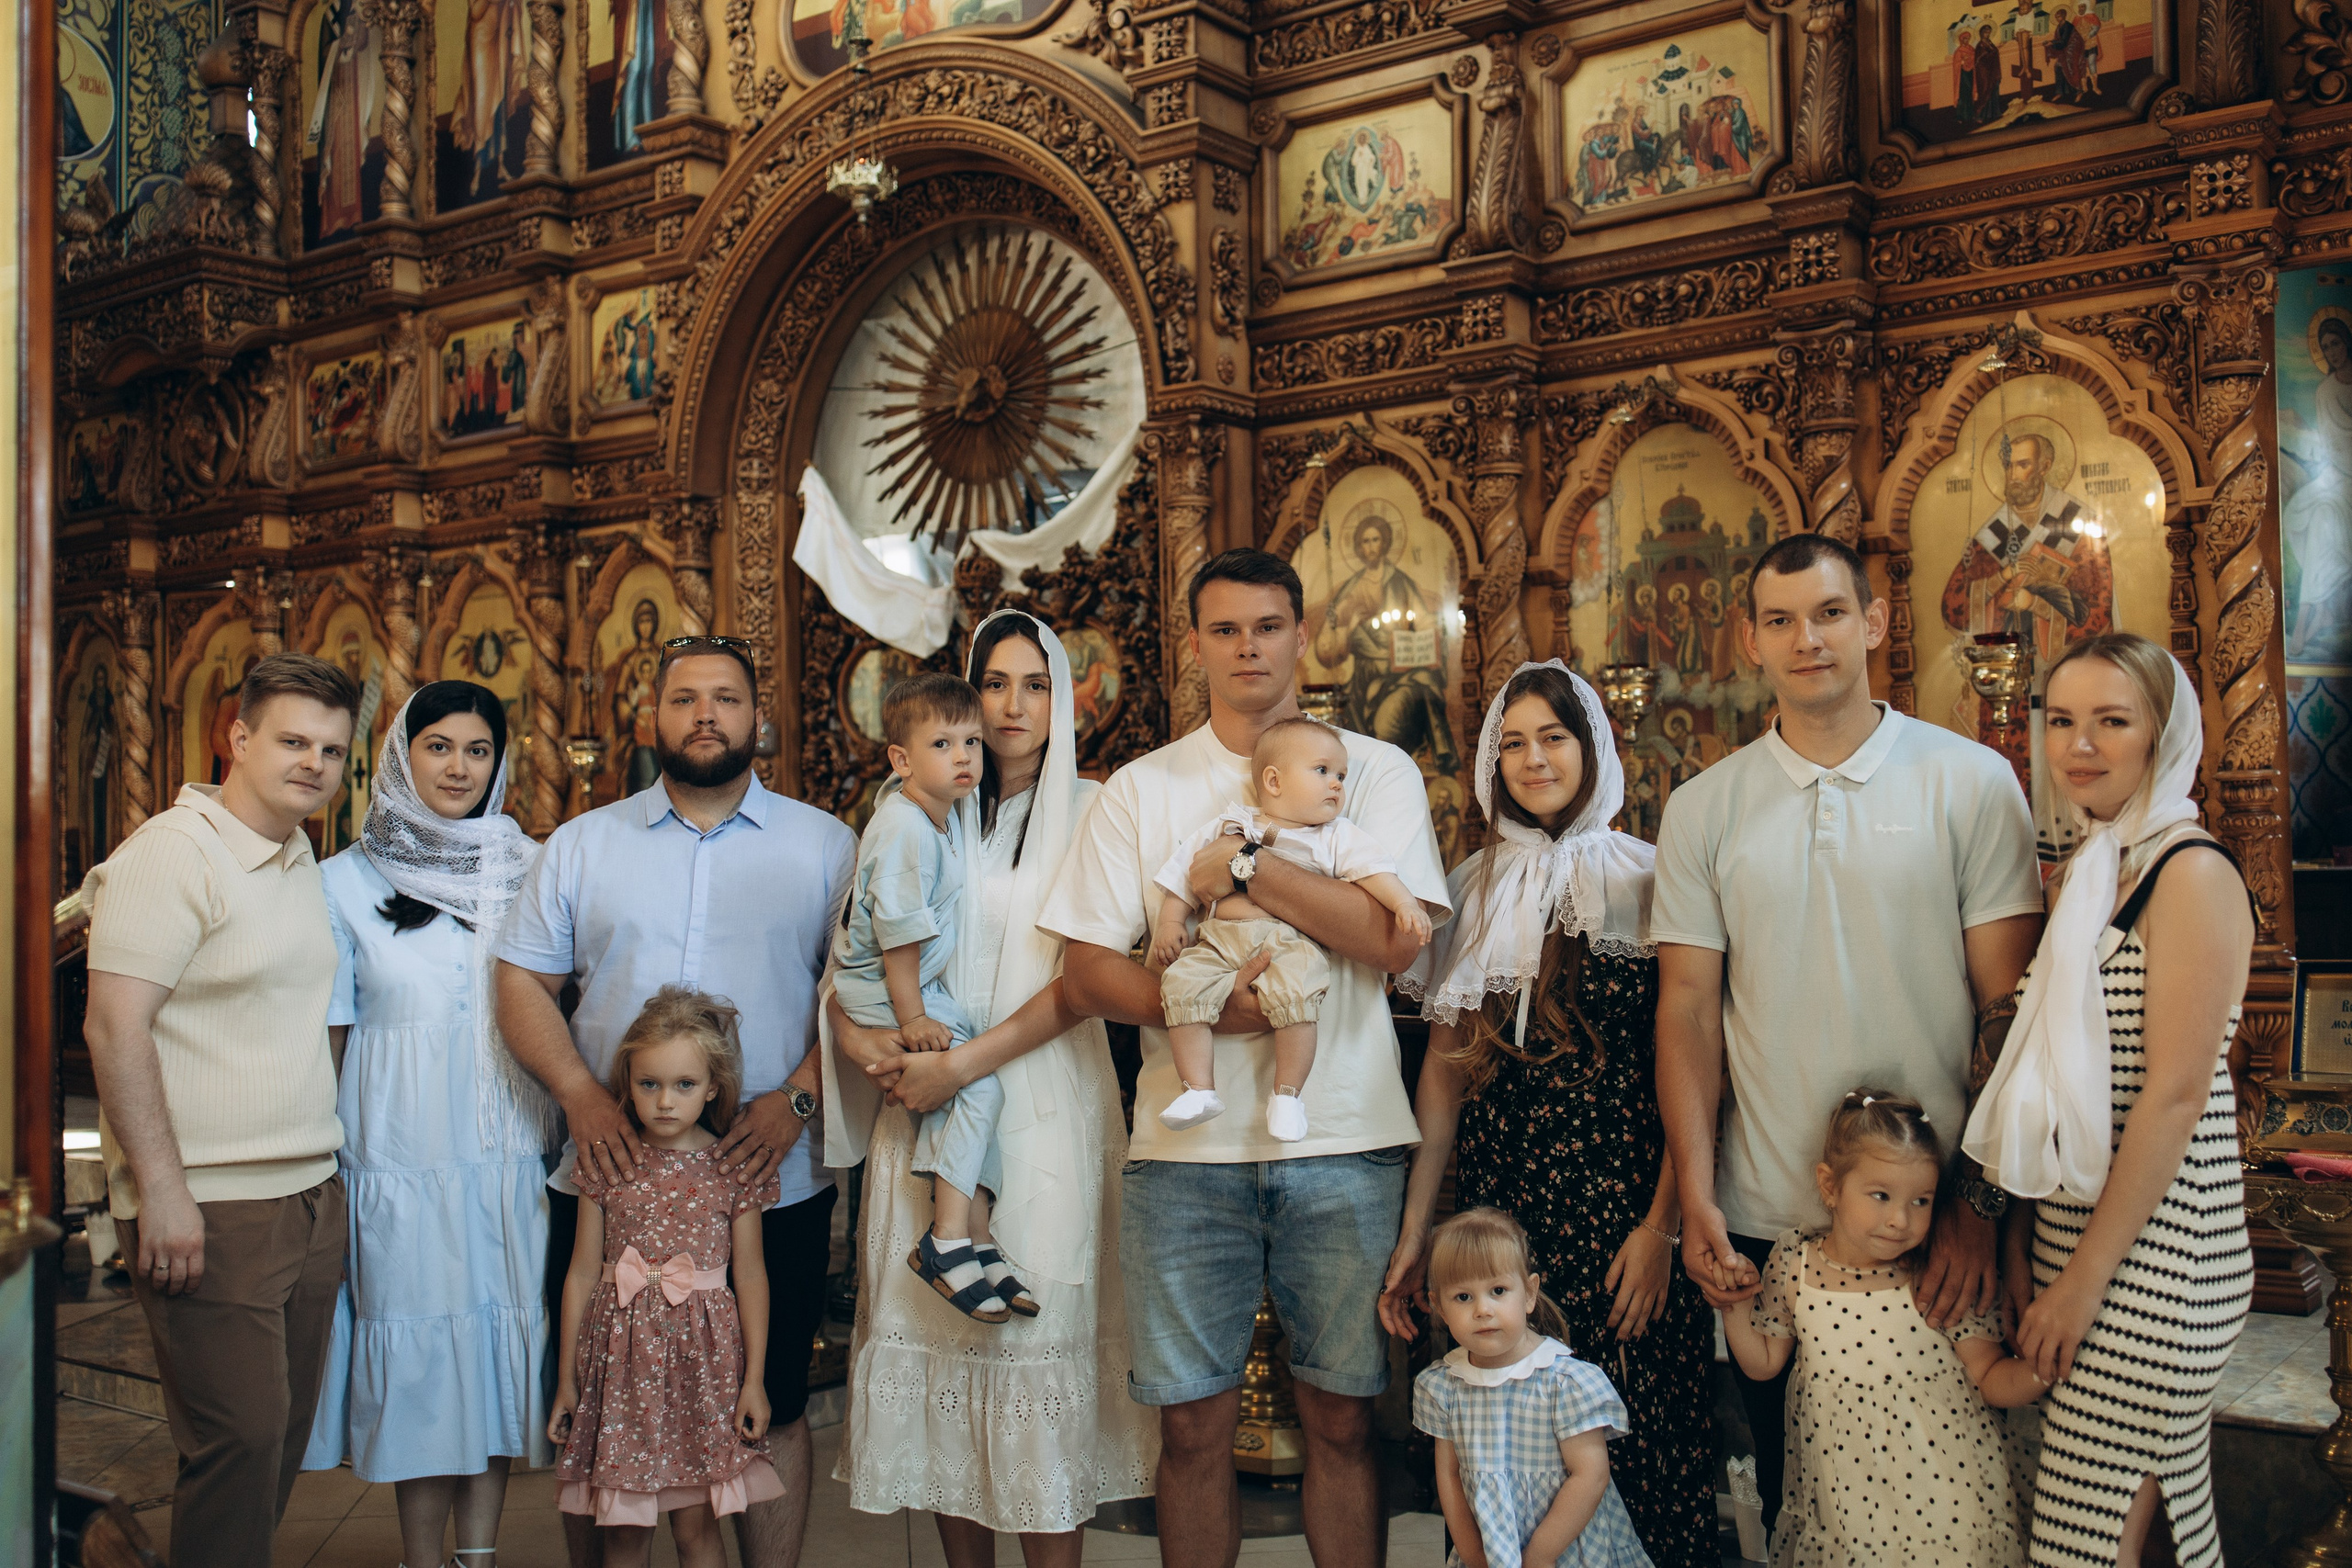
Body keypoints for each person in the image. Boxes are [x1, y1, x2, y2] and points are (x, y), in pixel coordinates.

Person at [1042, 548, 1448, 1568]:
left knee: (1347, 1422)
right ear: (1194, 645)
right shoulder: (1141, 789)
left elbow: (1393, 940)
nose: (1247, 647)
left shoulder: (1372, 770)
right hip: (1183, 1159)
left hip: (1344, 1139)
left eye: (1266, 626)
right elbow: (1088, 971)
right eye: (1223, 630)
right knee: (1189, 1432)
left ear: (1300, 634)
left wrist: (1251, 865)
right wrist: (1217, 1013)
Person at [1652, 532, 2044, 1533]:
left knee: (1957, 1515)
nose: (1806, 639)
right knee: (1811, 1514)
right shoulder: (1702, 807)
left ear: (1872, 622)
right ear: (1748, 640)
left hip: (1933, 1219)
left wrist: (1976, 1202)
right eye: (1779, 620)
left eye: (1828, 613)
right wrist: (1693, 1196)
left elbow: (2007, 1009)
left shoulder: (1969, 781)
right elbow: (1689, 1011)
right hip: (1773, 1221)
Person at [497, 634, 856, 1568]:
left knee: (766, 1396)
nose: (706, 714)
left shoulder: (824, 845)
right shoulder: (582, 846)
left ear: (757, 719)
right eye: (686, 697)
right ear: (651, 717)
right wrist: (579, 1096)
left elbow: (857, 992)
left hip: (764, 1169)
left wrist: (802, 1100)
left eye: (727, 698)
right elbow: (518, 983)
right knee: (597, 1400)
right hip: (608, 1167)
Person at [824, 608, 1158, 1568]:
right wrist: (869, 1047)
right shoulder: (915, 808)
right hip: (920, 1098)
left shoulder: (1100, 809)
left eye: (1036, 684)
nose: (1012, 706)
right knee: (942, 1375)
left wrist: (958, 1066)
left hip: (1044, 1098)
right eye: (994, 684)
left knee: (1029, 1358)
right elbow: (850, 951)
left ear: (1066, 697)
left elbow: (1089, 977)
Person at [1383, 662, 1717, 1564]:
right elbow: (1443, 1085)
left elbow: (1690, 1066)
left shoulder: (1652, 878)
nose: (1534, 759)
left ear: (1593, 746)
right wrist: (1421, 1230)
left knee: (1634, 1449)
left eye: (1554, 737)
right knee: (1508, 1457)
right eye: (1515, 742)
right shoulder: (1471, 885)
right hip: (1505, 1229)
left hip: (1623, 1223)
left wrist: (1664, 1227)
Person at [1964, 632, 2256, 1568]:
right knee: (2125, 1529)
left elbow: (2171, 1098)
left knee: (2083, 1547)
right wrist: (2029, 1247)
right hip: (2083, 1242)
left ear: (2160, 736)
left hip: (2160, 1257)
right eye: (2060, 721)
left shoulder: (2190, 873)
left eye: (2110, 722)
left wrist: (2082, 1280)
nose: (2079, 745)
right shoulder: (2099, 866)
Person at [81, 653, 358, 1568]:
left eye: (331, 749)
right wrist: (161, 1191)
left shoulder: (293, 852)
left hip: (311, 1191)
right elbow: (115, 1029)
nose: (313, 764)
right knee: (237, 1440)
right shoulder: (172, 852)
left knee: (273, 1443)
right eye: (291, 740)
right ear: (237, 738)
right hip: (212, 1203)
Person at [301, 682, 551, 1568]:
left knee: (490, 1354)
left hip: (507, 1150)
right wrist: (323, 1176)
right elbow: (327, 1038)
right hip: (398, 1154)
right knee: (421, 1363)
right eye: (438, 746)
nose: (458, 766)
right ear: (402, 756)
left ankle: (478, 1556)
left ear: (501, 761)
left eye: (477, 749)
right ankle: (419, 1558)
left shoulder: (529, 868)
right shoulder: (341, 880)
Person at [1722, 1089, 2041, 1566]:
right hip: (1848, 1504)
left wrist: (2042, 1370)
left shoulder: (1936, 1272)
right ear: (1829, 1186)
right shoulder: (1796, 1263)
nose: (1900, 1219)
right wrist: (1733, 1305)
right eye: (1881, 1196)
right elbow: (1763, 1363)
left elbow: (1990, 1377)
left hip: (1947, 1498)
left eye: (1921, 1201)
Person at [550, 987, 780, 1551]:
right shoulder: (607, 1162)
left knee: (698, 1530)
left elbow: (749, 1277)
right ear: (627, 1083)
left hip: (703, 1369)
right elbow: (582, 1272)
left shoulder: (733, 1170)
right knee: (624, 1532)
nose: (665, 1102)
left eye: (684, 1085)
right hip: (618, 1365)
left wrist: (753, 1382)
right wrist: (565, 1380)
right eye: (648, 1084)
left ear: (713, 1088)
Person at [1148, 716, 1430, 1141]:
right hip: (1219, 941)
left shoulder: (1335, 837)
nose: (1336, 784)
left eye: (1341, 775)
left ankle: (1287, 1095)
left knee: (1296, 995)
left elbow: (1376, 873)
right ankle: (1199, 1089)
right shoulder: (1231, 825)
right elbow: (1185, 876)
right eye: (1322, 771)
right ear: (1274, 781)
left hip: (1288, 941)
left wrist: (1405, 902)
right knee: (1181, 985)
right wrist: (1171, 922)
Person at [831, 673, 1012, 1323]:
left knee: (965, 1096)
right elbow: (897, 941)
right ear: (902, 760)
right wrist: (913, 1019)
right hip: (887, 989)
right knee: (980, 1089)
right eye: (942, 743)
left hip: (911, 988)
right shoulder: (906, 829)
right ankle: (946, 1241)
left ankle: (976, 1237)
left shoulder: (933, 816)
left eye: (972, 740)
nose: (964, 756)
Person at [1411, 1208, 1652, 1568]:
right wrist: (1476, 1556)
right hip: (1490, 1550)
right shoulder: (1443, 1387)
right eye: (1463, 1297)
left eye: (1497, 1290)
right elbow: (1448, 1475)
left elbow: (1590, 1474)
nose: (1482, 1310)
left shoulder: (1565, 1383)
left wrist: (1539, 1556)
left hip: (1567, 1547)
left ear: (1529, 1293)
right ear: (1439, 1308)